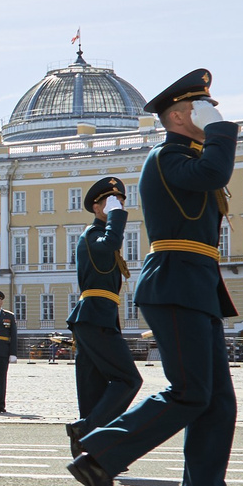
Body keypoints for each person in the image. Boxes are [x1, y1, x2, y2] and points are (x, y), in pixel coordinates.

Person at [65, 69, 243, 486]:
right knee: (190, 391)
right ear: (176, 115)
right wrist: (219, 129)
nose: (212, 114)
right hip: (174, 282)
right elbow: (215, 170)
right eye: (200, 107)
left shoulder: (185, 155)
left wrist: (210, 129)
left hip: (197, 284)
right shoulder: (167, 156)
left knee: (217, 402)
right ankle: (100, 456)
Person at [65, 177, 140, 456]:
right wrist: (117, 216)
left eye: (120, 200)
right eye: (109, 201)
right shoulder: (93, 235)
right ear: (96, 207)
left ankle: (90, 448)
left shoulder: (100, 234)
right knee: (128, 379)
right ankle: (85, 430)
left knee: (93, 385)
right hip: (94, 316)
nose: (117, 204)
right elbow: (109, 244)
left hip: (97, 317)